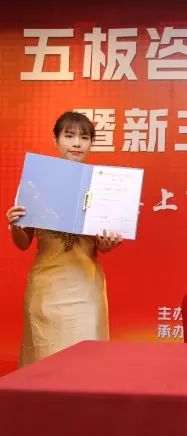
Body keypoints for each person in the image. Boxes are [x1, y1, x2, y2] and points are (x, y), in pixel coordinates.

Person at [5, 111, 123, 366]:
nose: (77, 143)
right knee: (45, 360)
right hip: (46, 288)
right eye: (69, 136)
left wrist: (107, 245)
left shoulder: (103, 185)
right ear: (56, 141)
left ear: (92, 143)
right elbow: (23, 243)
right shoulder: (35, 182)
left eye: (84, 137)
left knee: (86, 363)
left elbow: (102, 242)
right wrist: (14, 224)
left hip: (86, 286)